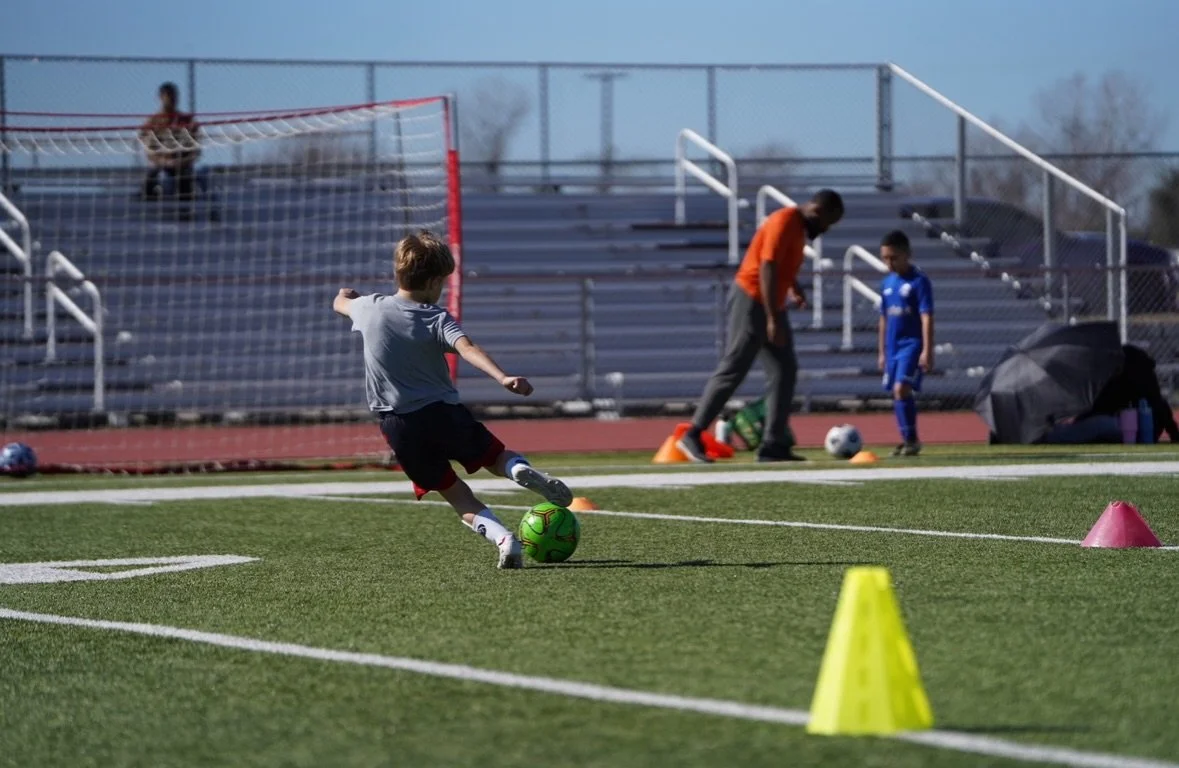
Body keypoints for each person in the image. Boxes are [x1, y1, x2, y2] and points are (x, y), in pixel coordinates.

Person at [333, 231, 573, 570]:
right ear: (433, 282)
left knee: (456, 494)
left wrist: (346, 295)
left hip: (398, 425)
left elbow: (339, 303)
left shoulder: (369, 307)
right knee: (494, 457)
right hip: (443, 414)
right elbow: (467, 348)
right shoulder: (435, 317)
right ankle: (518, 470)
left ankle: (504, 539)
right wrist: (503, 377)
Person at [677, 189, 844, 463]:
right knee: (735, 366)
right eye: (828, 222)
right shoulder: (784, 221)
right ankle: (693, 433)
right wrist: (772, 318)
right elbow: (767, 266)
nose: (825, 229)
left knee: (784, 370)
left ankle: (773, 444)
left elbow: (782, 265)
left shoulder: (797, 228)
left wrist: (794, 287)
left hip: (770, 303)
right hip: (753, 298)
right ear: (818, 211)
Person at [877, 230, 934, 457]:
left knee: (902, 388)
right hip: (892, 347)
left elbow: (927, 316)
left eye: (894, 258)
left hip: (912, 344)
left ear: (907, 254)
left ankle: (911, 440)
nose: (889, 263)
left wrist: (927, 350)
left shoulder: (919, 282)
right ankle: (908, 439)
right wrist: (881, 351)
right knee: (897, 392)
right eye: (885, 258)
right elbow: (883, 318)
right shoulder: (886, 283)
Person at [139, 82, 201, 218]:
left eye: (174, 97)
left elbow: (196, 151)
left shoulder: (187, 121)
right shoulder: (153, 122)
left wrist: (182, 161)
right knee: (150, 179)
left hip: (182, 164)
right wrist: (163, 161)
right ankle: (148, 215)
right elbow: (149, 150)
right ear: (161, 98)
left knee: (185, 179)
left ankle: (185, 214)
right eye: (169, 96)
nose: (172, 100)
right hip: (161, 164)